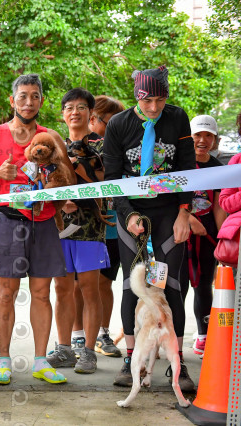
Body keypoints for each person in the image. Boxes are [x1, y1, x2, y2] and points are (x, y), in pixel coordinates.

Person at [0, 74, 75, 385]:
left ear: (41, 100)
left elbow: (68, 178)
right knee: (5, 293)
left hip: (43, 222)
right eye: (22, 96)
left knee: (42, 294)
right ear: (12, 100)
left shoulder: (52, 136)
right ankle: (3, 360)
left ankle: (41, 361)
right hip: (7, 221)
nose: (28, 102)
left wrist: (59, 187)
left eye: (34, 96)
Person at [103, 66, 196, 392]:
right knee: (133, 287)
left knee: (173, 286)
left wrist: (185, 212)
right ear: (136, 97)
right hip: (132, 214)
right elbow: (112, 179)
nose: (153, 108)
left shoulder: (177, 118)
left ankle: (178, 363)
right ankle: (131, 360)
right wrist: (127, 215)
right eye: (147, 101)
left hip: (170, 212)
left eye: (159, 100)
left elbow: (188, 167)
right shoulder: (118, 125)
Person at [47, 88, 108, 374]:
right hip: (57, 227)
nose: (75, 112)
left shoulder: (102, 144)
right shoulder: (52, 144)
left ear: (90, 113)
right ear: (63, 114)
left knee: (89, 288)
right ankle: (64, 348)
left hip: (90, 226)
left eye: (81, 107)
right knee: (62, 288)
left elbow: (102, 178)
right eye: (69, 107)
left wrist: (73, 166)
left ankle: (88, 352)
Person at [182, 115, 226, 355]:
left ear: (215, 139)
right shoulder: (179, 163)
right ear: (189, 138)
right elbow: (168, 198)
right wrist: (189, 220)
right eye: (197, 135)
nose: (202, 140)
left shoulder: (219, 168)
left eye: (208, 135)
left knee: (203, 284)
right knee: (175, 286)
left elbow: (219, 204)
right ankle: (171, 336)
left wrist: (219, 236)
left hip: (206, 231)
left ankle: (202, 335)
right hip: (179, 229)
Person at [86, 96, 125, 358]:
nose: (115, 129)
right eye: (109, 124)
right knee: (84, 285)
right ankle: (78, 339)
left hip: (115, 227)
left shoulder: (122, 148)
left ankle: (103, 334)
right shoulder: (80, 147)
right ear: (92, 120)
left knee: (105, 283)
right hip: (86, 229)